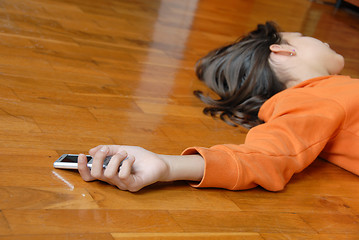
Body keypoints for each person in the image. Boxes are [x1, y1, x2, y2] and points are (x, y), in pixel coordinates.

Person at [77, 22, 358, 192]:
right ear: (282, 50)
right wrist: (168, 166)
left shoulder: (329, 95)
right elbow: (266, 156)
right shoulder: (310, 101)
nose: (322, 39)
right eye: (304, 35)